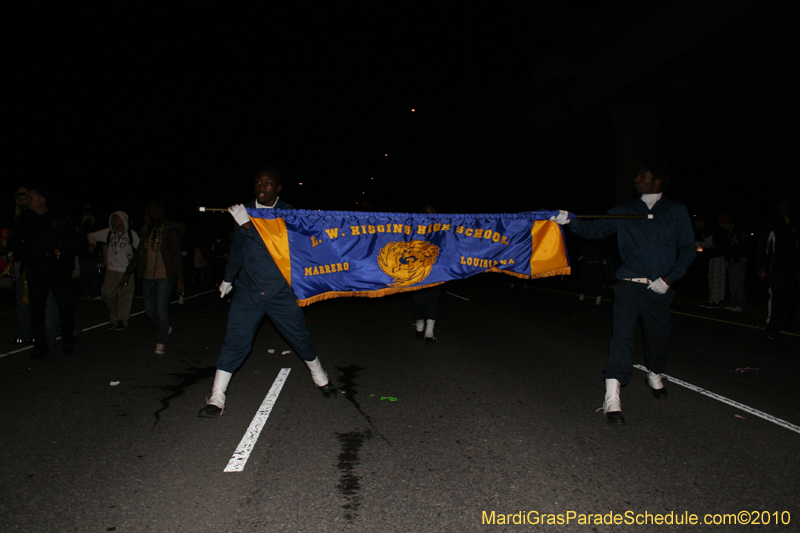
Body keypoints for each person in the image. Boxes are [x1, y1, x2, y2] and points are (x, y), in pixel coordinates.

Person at [552, 160, 696, 425]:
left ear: (658, 180)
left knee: (658, 338)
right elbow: (594, 230)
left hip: (659, 289)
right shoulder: (625, 210)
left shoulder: (676, 211)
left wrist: (669, 279)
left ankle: (654, 373)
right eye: (638, 174)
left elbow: (688, 249)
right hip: (628, 285)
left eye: (644, 174)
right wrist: (569, 220)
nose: (637, 178)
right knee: (621, 338)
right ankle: (612, 400)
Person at [198, 166, 338, 418]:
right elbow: (238, 250)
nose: (262, 187)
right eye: (258, 182)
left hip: (280, 292)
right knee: (235, 340)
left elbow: (278, 245)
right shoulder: (245, 211)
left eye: (268, 183)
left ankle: (320, 377)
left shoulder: (289, 214)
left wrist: (246, 225)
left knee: (299, 338)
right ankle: (217, 397)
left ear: (279, 188)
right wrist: (228, 278)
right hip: (248, 291)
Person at [7, 187, 82, 359]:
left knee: (65, 306)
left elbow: (76, 239)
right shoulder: (24, 220)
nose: (28, 201)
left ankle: (68, 342)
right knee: (37, 309)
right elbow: (13, 243)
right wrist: (26, 251)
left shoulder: (59, 218)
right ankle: (40, 347)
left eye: (31, 198)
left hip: (57, 268)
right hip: (35, 268)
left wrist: (63, 252)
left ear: (42, 200)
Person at [121, 202, 184, 354]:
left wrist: (180, 279)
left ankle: (162, 341)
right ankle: (164, 328)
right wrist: (128, 272)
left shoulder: (169, 232)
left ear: (153, 215)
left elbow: (176, 256)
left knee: (161, 309)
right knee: (149, 310)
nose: (144, 217)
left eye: (147, 214)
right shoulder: (145, 231)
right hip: (149, 277)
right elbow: (138, 255)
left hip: (165, 277)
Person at [88, 211, 140, 330]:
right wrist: (92, 243)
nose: (115, 219)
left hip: (125, 270)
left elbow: (141, 249)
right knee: (107, 293)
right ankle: (116, 315)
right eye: (114, 217)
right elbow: (91, 235)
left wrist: (134, 265)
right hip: (111, 269)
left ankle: (122, 319)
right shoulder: (109, 232)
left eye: (118, 217)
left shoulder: (131, 234)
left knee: (125, 296)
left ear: (124, 219)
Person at [757, 199, 799, 339]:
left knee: (788, 296)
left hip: (790, 268)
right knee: (776, 295)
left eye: (788, 205)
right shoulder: (773, 223)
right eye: (783, 204)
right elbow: (763, 244)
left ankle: (783, 322)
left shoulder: (793, 224)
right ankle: (772, 326)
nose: (786, 207)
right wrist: (762, 265)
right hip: (775, 267)